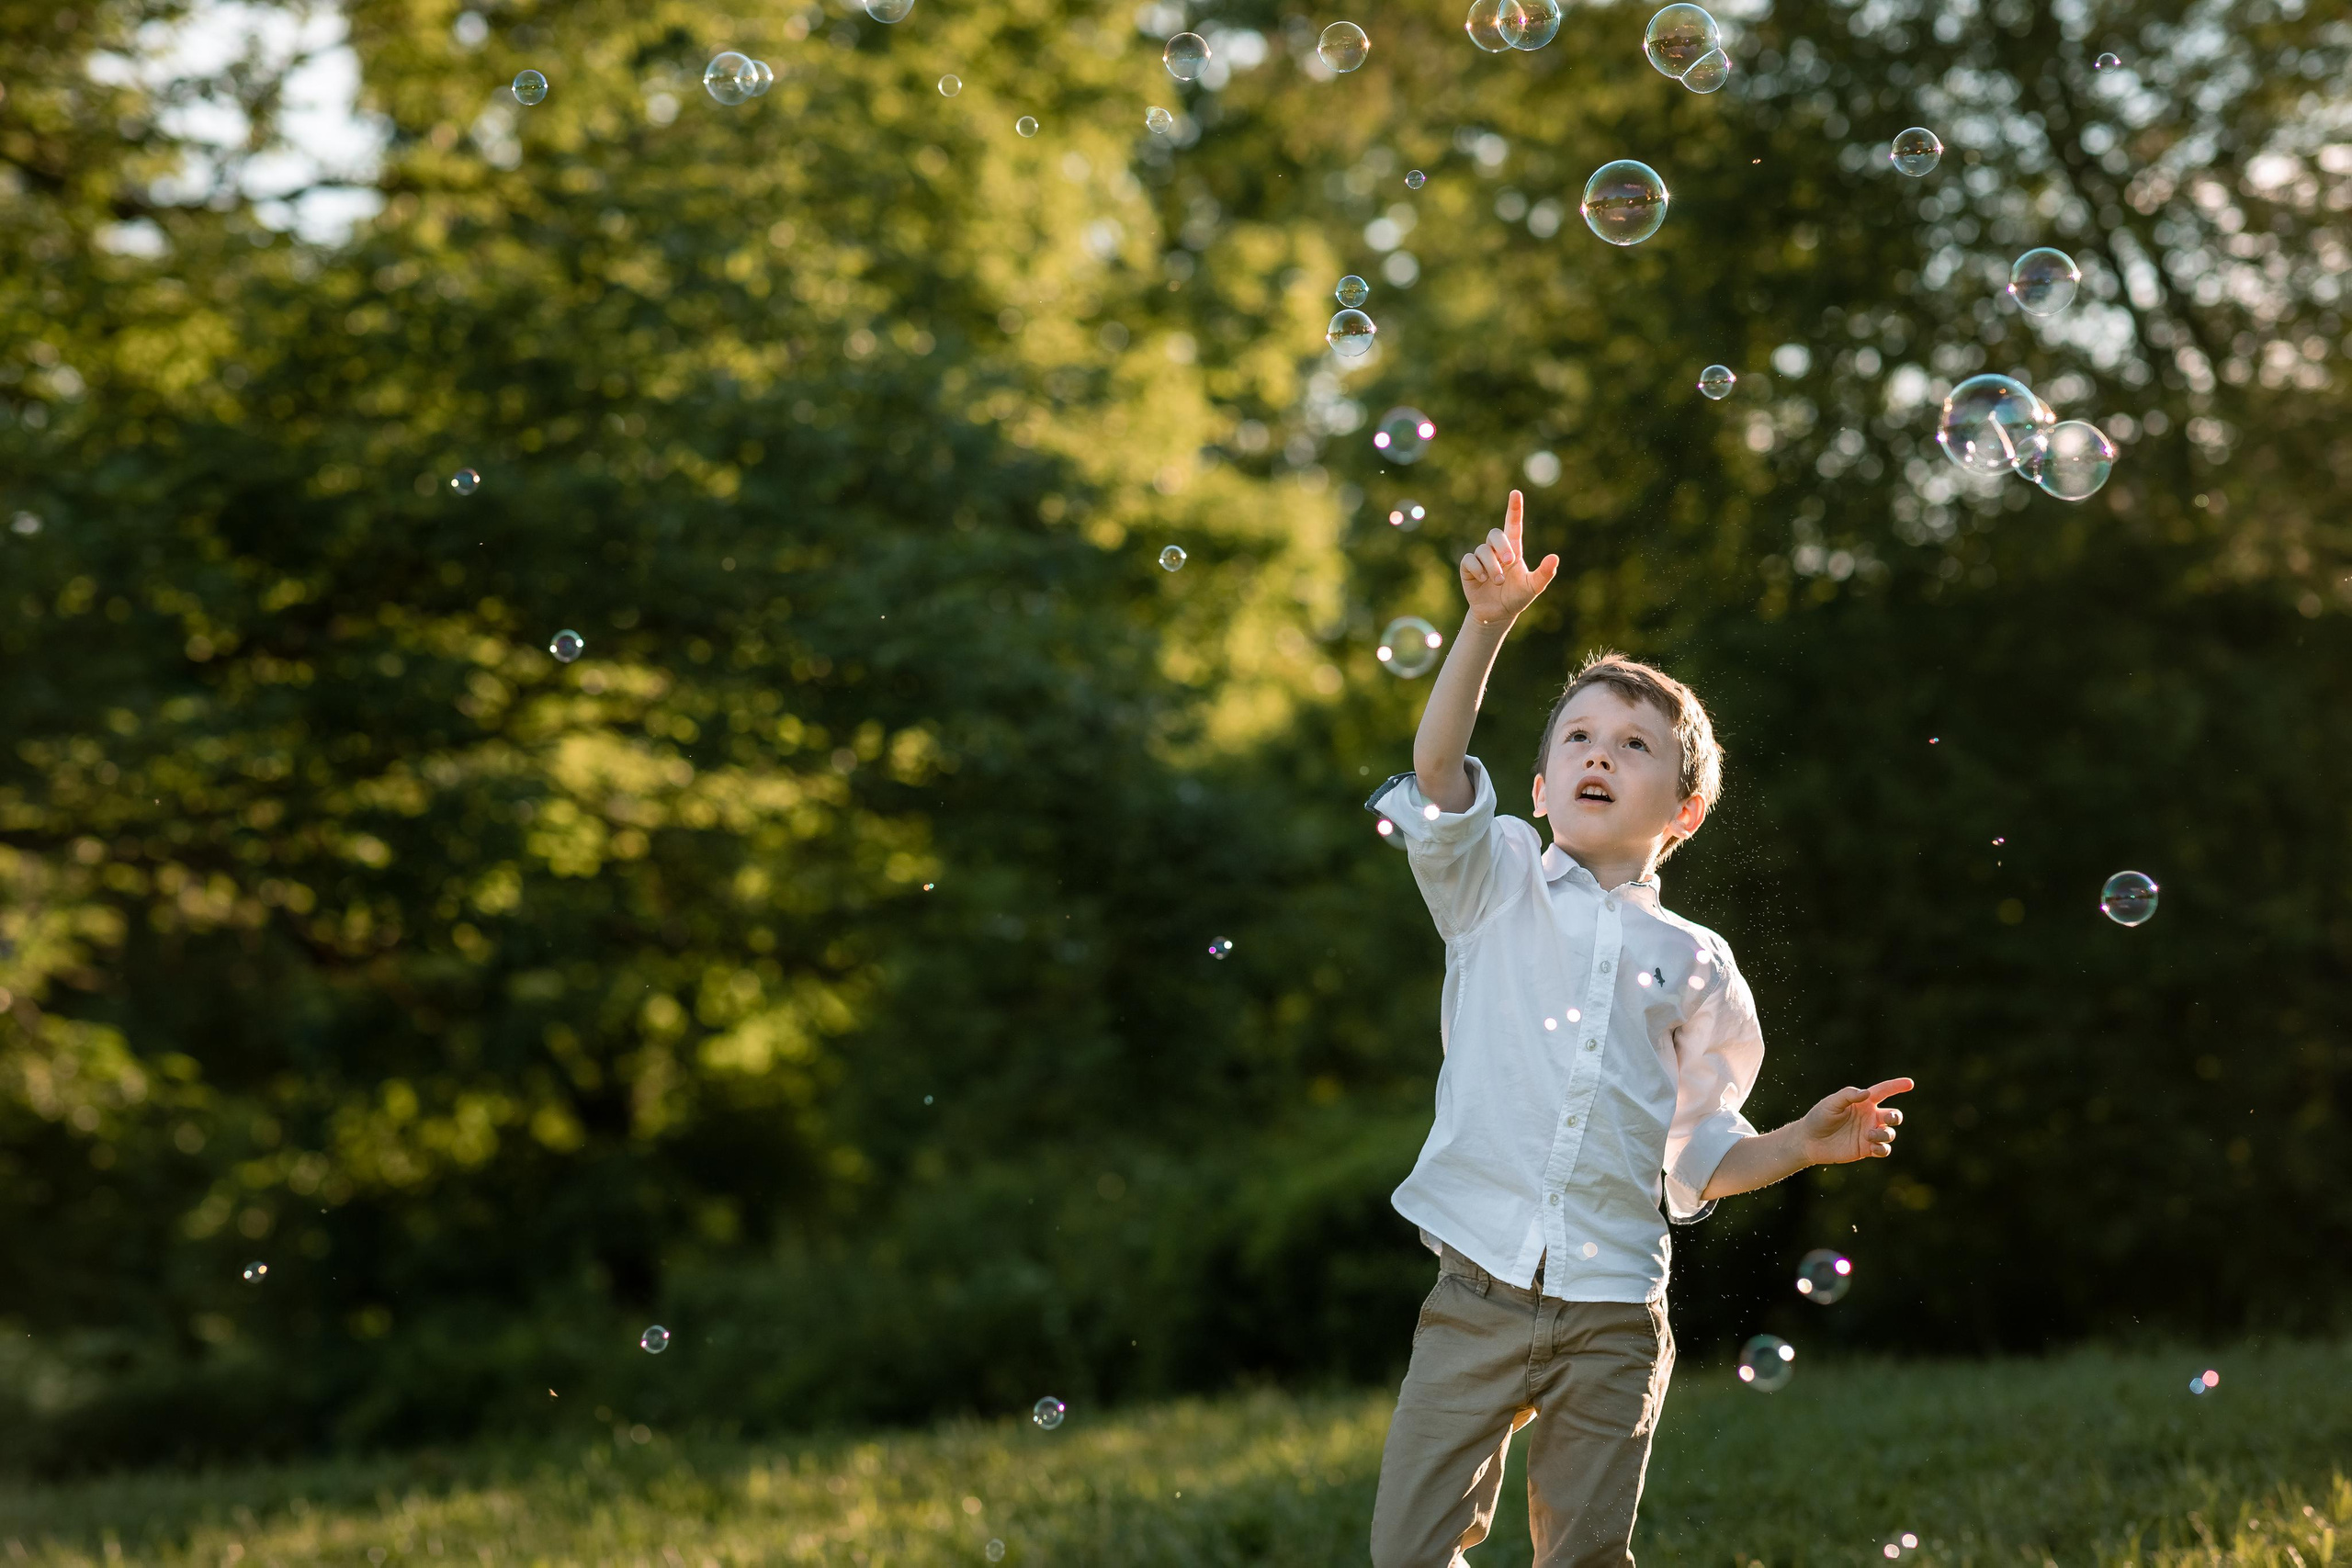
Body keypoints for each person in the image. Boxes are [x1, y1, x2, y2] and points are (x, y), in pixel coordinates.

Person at [1363, 491, 1913, 1568]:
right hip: (1474, 1289)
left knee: (1583, 1558)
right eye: (1575, 737)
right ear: (1537, 786)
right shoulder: (1494, 884)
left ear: (1685, 810)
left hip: (1615, 1309)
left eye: (1633, 743)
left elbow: (1699, 1151)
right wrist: (1486, 624)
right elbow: (1435, 776)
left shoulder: (1696, 964)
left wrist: (1799, 1143)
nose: (1597, 755)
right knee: (1408, 1553)